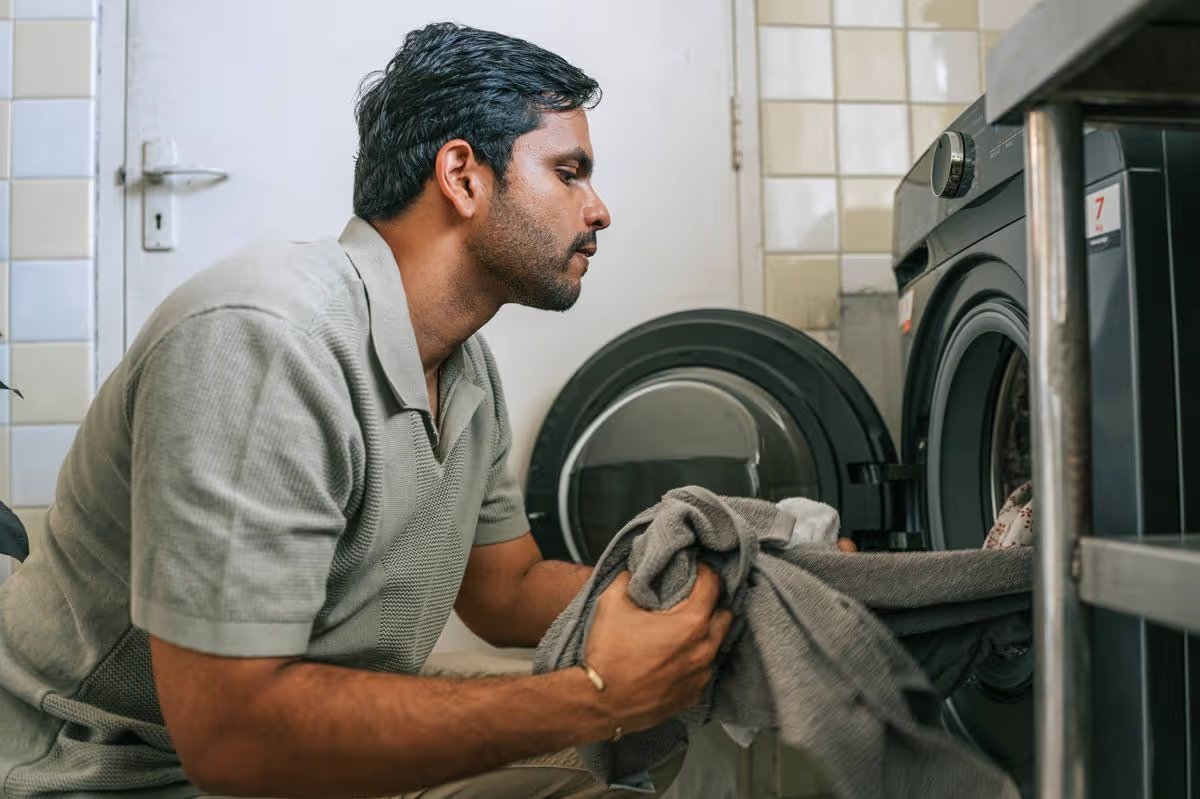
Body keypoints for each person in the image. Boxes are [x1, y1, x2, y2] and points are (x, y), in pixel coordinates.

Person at [0, 23, 733, 799]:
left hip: (284, 758)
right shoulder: (265, 338)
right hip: (121, 774)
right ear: (463, 175)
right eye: (570, 171)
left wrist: (693, 596)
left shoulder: (463, 367)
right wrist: (593, 693)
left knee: (634, 764)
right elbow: (231, 735)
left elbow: (505, 589)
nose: (599, 209)